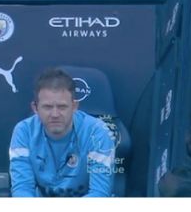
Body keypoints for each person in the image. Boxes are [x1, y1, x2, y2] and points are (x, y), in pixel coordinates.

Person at [9, 67, 116, 197]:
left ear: (74, 106)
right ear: (35, 108)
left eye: (62, 107)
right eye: (47, 107)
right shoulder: (23, 131)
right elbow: (22, 188)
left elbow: (99, 193)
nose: (55, 114)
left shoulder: (97, 132)